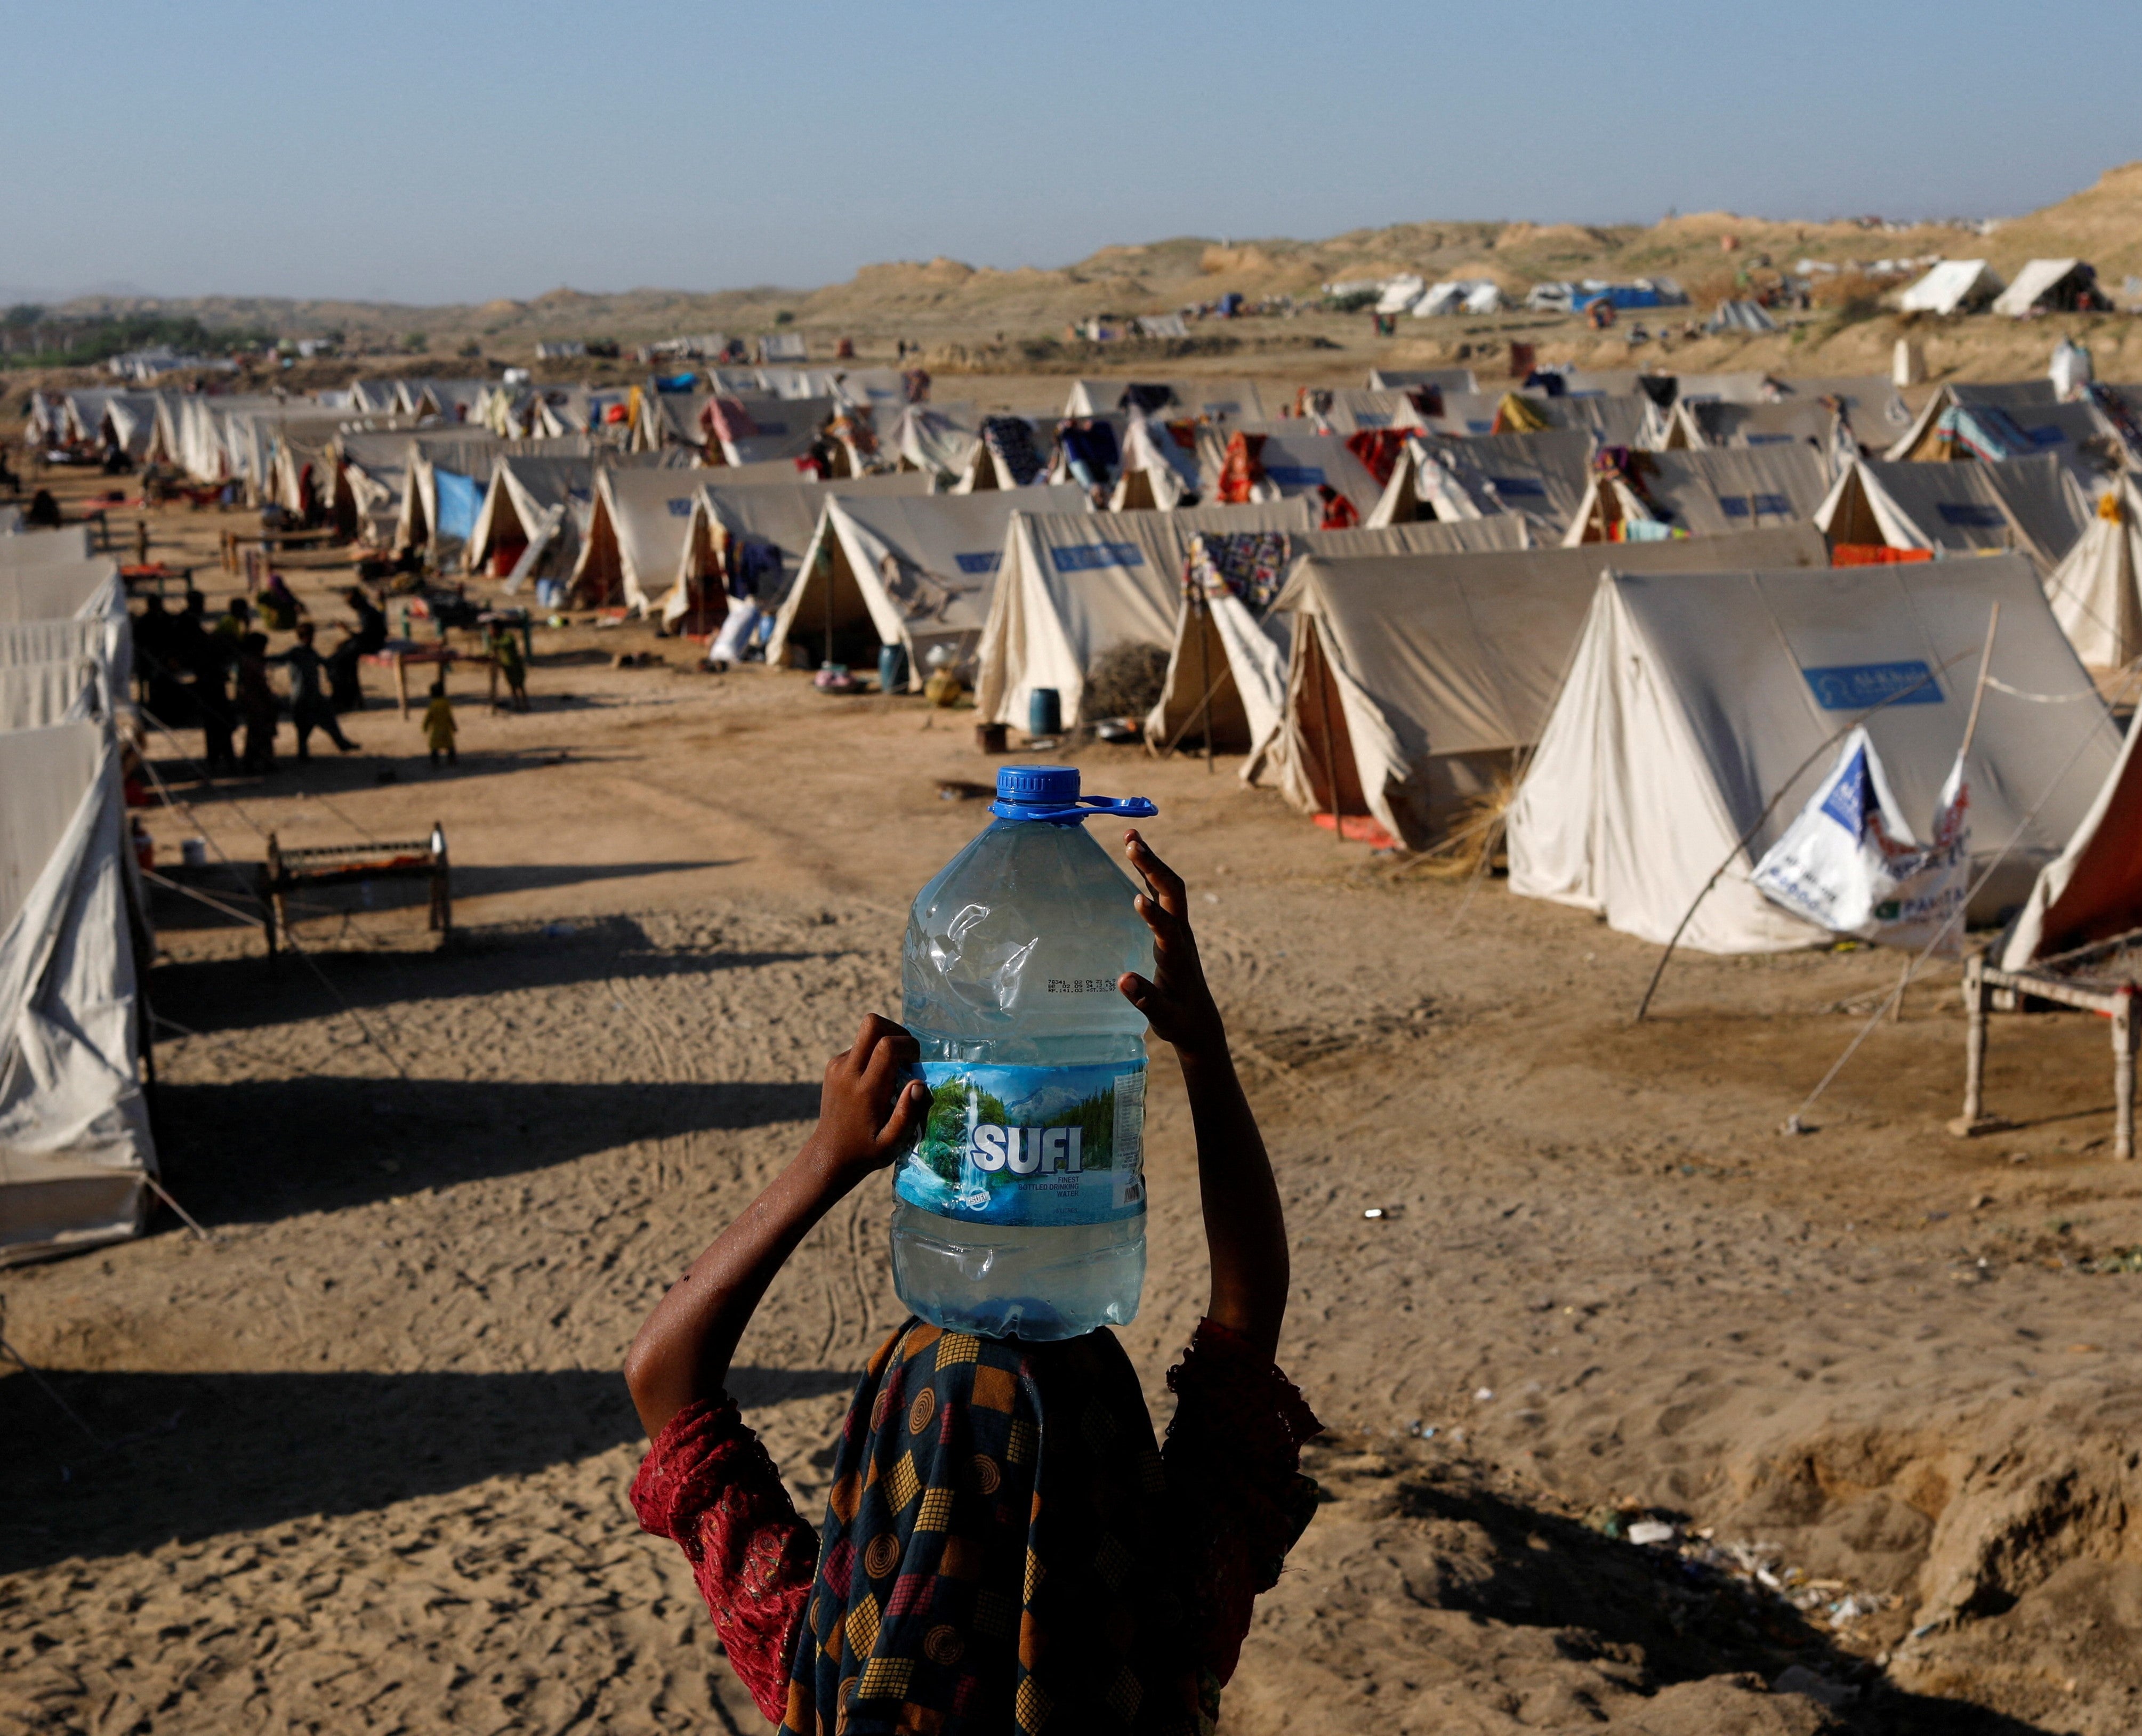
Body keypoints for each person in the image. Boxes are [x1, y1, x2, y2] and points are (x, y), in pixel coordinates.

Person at [624, 833, 1318, 1735]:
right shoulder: (1154, 1637)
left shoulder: (829, 1657)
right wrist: (1202, 1050)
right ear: (1107, 1464)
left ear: (879, 1474)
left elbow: (661, 1374)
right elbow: (1245, 1321)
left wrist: (826, 1158)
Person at [270, 621, 359, 762]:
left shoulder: (311, 652)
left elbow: (325, 662)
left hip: (314, 694)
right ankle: (304, 753)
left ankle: (341, 743)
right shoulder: (296, 652)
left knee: (328, 719)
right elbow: (279, 659)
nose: (313, 638)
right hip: (301, 696)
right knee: (304, 728)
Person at [327, 586, 386, 713]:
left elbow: (367, 637)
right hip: (370, 642)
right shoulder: (365, 611)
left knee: (336, 663)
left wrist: (348, 631)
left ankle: (344, 700)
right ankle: (348, 699)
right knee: (340, 658)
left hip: (371, 644)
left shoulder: (367, 613)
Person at [236, 632, 278, 773]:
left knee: (256, 734)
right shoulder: (252, 662)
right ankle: (262, 762)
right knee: (261, 734)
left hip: (253, 703)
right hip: (257, 703)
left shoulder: (247, 661)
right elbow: (259, 684)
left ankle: (255, 762)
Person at [488, 621, 528, 712]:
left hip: (515, 665)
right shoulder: (495, 640)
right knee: (512, 686)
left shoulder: (507, 638)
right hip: (507, 667)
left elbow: (507, 644)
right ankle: (517, 704)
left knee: (520, 686)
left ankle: (526, 704)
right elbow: (491, 652)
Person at [421, 680, 457, 766]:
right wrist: (454, 726)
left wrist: (425, 726)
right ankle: (451, 761)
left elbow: (429, 717)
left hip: (437, 730)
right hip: (446, 730)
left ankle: (435, 763)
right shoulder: (446, 703)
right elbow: (450, 716)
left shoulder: (433, 704)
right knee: (450, 746)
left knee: (434, 747)